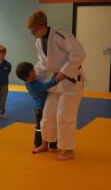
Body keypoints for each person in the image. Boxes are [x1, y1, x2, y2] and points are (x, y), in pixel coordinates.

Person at [27, 10, 85, 160]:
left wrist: (65, 72)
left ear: (41, 26)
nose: (33, 34)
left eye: (34, 30)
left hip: (71, 80)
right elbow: (43, 63)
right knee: (47, 115)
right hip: (56, 81)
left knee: (64, 116)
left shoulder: (60, 35)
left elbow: (79, 53)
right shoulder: (39, 42)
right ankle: (46, 143)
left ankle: (68, 150)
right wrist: (32, 75)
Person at [16, 62, 58, 152]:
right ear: (27, 77)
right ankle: (47, 145)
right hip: (42, 108)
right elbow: (46, 86)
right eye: (33, 71)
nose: (35, 72)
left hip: (38, 108)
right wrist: (56, 79)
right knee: (45, 126)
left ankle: (40, 144)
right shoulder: (35, 84)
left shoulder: (29, 82)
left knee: (41, 126)